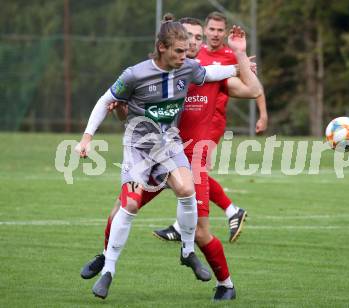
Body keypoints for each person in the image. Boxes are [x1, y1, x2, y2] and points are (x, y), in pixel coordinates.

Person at [76, 19, 243, 299]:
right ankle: (109, 269)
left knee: (186, 189)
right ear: (161, 48)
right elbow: (105, 100)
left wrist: (240, 62)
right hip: (139, 147)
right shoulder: (134, 75)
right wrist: (87, 137)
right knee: (127, 205)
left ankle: (188, 252)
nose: (185, 55)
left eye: (186, 49)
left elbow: (215, 73)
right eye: (178, 51)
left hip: (168, 145)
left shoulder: (188, 67)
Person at [153, 11, 268, 244]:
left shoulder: (222, 62)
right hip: (177, 130)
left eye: (219, 30)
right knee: (186, 174)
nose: (214, 34)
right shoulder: (189, 58)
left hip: (210, 122)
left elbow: (253, 88)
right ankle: (202, 219)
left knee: (196, 171)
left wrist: (262, 113)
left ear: (224, 33)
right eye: (211, 30)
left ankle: (206, 219)